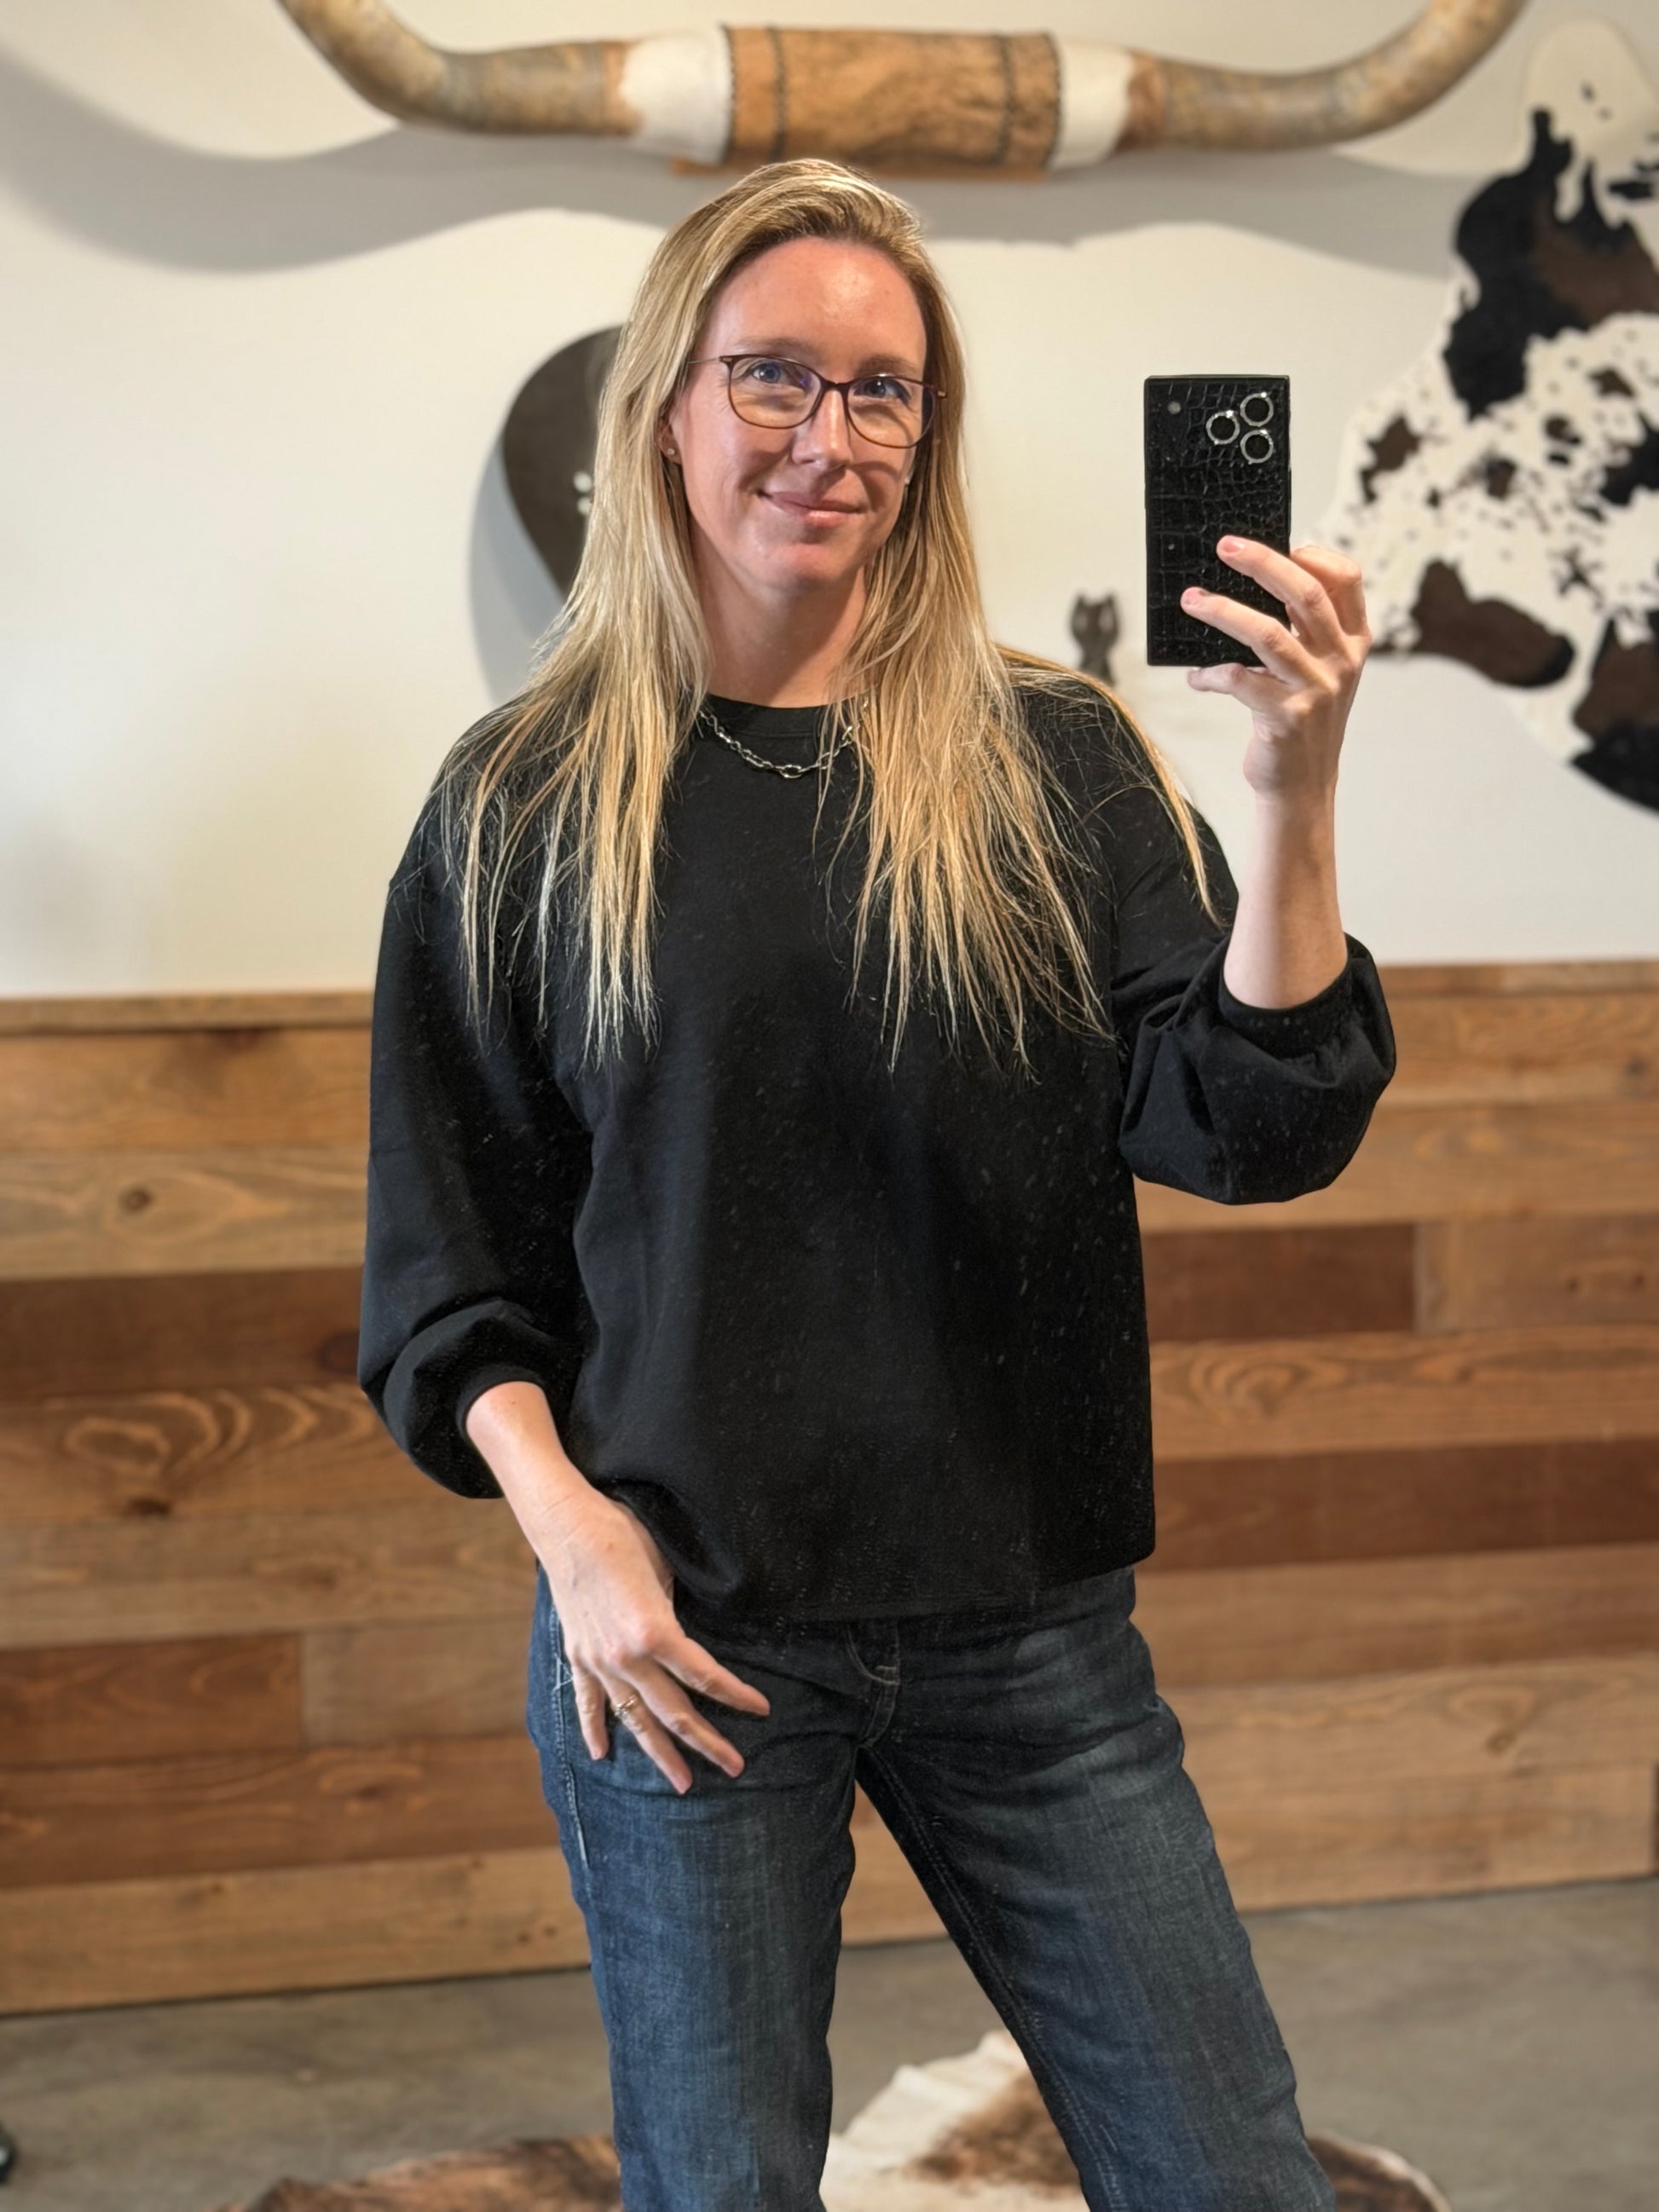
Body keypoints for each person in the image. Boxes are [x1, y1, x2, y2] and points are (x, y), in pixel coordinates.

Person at [358, 159, 1394, 2212]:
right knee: (722, 2186)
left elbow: (1249, 1124)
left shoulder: (1058, 760)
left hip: (1032, 1627)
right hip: (684, 1637)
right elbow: (448, 1267)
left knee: (1231, 2174)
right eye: (772, 376)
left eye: (882, 391)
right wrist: (575, 1543)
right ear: (666, 403)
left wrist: (1293, 788)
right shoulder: (521, 802)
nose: (827, 437)